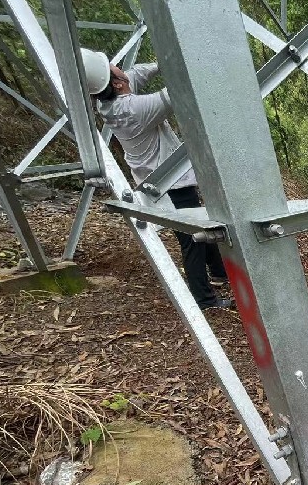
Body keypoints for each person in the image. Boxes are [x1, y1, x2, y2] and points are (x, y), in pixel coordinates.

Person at [80, 49, 231, 311]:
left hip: (154, 179)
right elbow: (179, 92)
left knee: (202, 224)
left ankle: (219, 272)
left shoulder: (108, 102)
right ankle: (204, 300)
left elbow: (137, 73)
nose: (117, 66)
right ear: (117, 83)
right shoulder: (136, 109)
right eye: (112, 67)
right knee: (192, 237)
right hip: (170, 182)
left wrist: (164, 62)